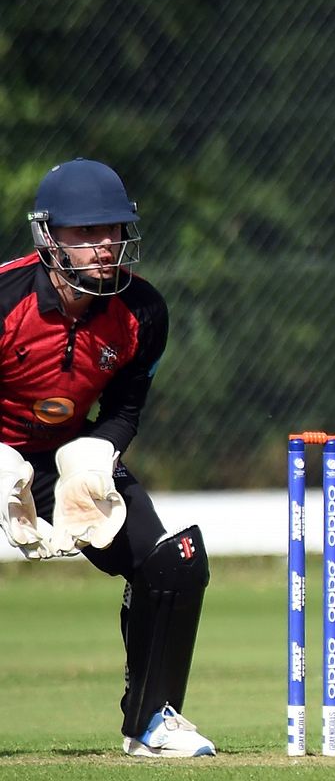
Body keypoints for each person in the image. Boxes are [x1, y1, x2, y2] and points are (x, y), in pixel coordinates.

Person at [0, 158, 215, 758]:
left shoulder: (143, 312)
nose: (104, 246)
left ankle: (153, 720)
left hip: (56, 459)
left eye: (113, 231)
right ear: (48, 237)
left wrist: (96, 453)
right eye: (85, 233)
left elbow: (124, 408)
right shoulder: (4, 299)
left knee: (171, 562)